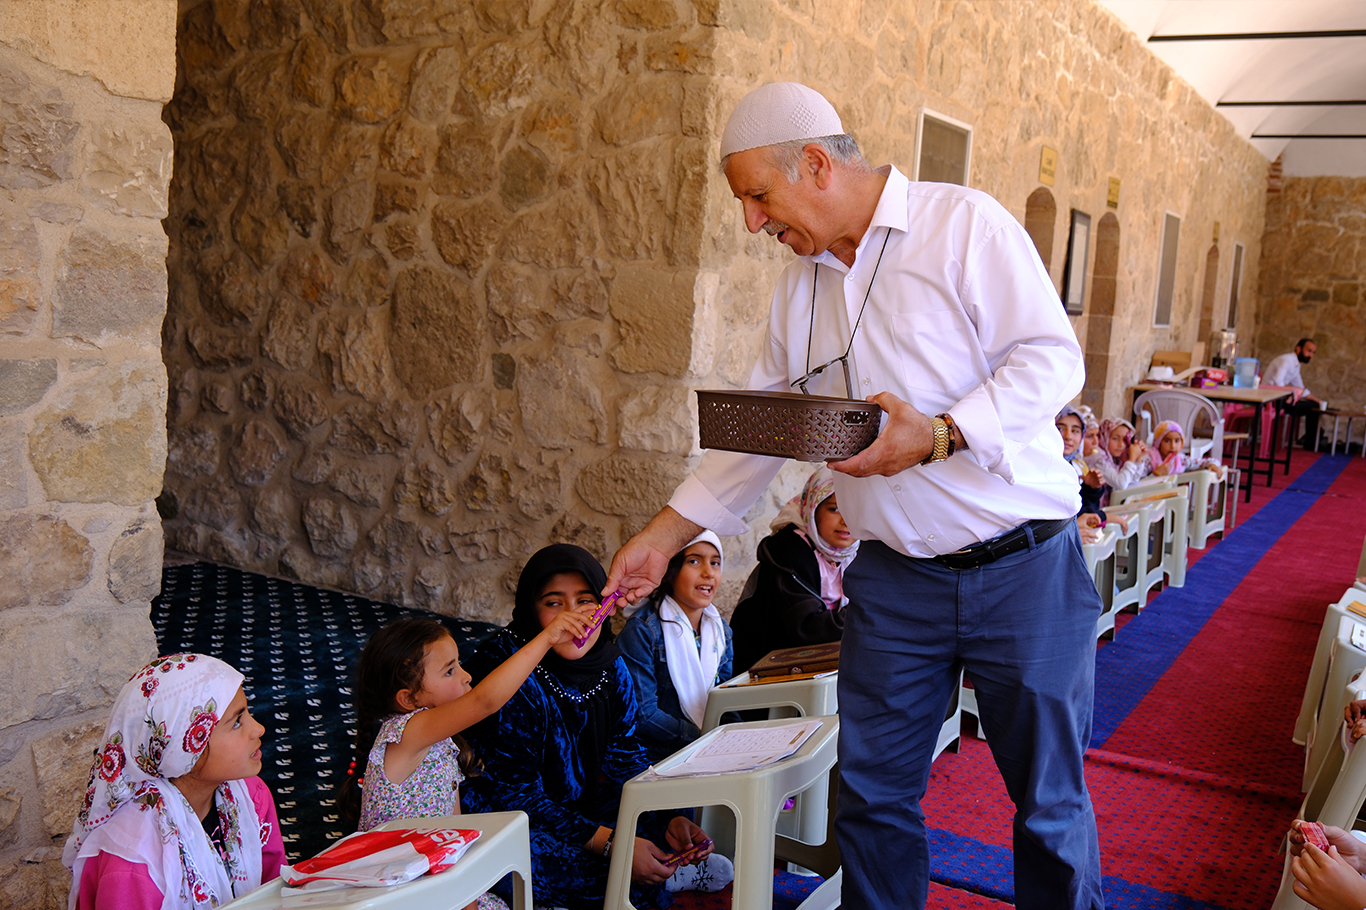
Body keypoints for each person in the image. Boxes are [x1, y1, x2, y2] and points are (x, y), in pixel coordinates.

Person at [604, 82, 1105, 910]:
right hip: (894, 583)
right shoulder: (798, 289)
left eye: (758, 197)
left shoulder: (963, 225)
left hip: (1023, 569)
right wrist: (661, 536)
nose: (752, 224)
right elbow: (764, 435)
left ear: (813, 164)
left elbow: (1052, 361)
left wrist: (939, 434)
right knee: (870, 800)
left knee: (1049, 808)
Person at [461, 544, 732, 909]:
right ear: (530, 609)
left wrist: (669, 818)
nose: (572, 618)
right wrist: (612, 844)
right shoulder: (510, 670)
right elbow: (514, 793)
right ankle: (658, 877)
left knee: (652, 831)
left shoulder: (609, 666)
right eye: (554, 603)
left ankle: (664, 868)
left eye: (585, 600)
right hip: (507, 816)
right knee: (570, 868)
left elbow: (627, 757)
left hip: (573, 805)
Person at [339, 611, 593, 910]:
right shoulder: (406, 733)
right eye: (449, 671)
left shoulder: (438, 743)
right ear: (409, 700)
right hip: (399, 893)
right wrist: (547, 638)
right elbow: (485, 701)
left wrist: (467, 894)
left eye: (459, 663)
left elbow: (454, 832)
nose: (466, 675)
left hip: (434, 881)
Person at [63, 654, 286, 910]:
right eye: (236, 722)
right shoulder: (134, 861)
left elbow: (275, 889)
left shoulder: (251, 796)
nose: (258, 729)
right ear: (183, 749)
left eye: (247, 713)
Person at [728, 466, 859, 674]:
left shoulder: (853, 554)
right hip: (765, 674)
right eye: (834, 509)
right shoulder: (790, 551)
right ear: (813, 508)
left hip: (815, 667)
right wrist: (867, 616)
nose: (846, 521)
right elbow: (807, 628)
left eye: (855, 510)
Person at [617, 531, 733, 762]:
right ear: (669, 570)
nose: (708, 572)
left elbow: (728, 702)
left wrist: (736, 739)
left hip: (711, 748)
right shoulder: (642, 631)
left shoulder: (721, 632)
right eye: (694, 561)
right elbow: (644, 715)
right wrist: (704, 738)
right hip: (659, 759)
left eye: (715, 562)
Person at [1264, 338, 1323, 448]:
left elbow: (1300, 388)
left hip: (1280, 398)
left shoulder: (1295, 365)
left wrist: (1318, 400)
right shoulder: (1287, 360)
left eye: (1313, 353)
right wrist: (1290, 395)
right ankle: (1311, 445)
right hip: (1270, 399)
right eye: (1308, 351)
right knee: (1311, 407)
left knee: (1314, 405)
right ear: (1298, 349)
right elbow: (1278, 382)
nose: (1311, 355)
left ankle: (1311, 443)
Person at [1145, 419, 1226, 480]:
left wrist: (1213, 465)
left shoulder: (1181, 460)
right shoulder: (1149, 460)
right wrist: (1155, 475)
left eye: (1177, 441)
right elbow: (1136, 485)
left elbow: (1205, 462)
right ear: (1158, 443)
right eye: (1167, 441)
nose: (1173, 446)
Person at [1087, 417, 1147, 492]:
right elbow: (1121, 484)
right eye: (1115, 438)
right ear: (1104, 437)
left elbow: (1133, 480)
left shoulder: (1118, 458)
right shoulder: (1098, 459)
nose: (1121, 445)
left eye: (1125, 440)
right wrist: (1132, 459)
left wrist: (1138, 458)